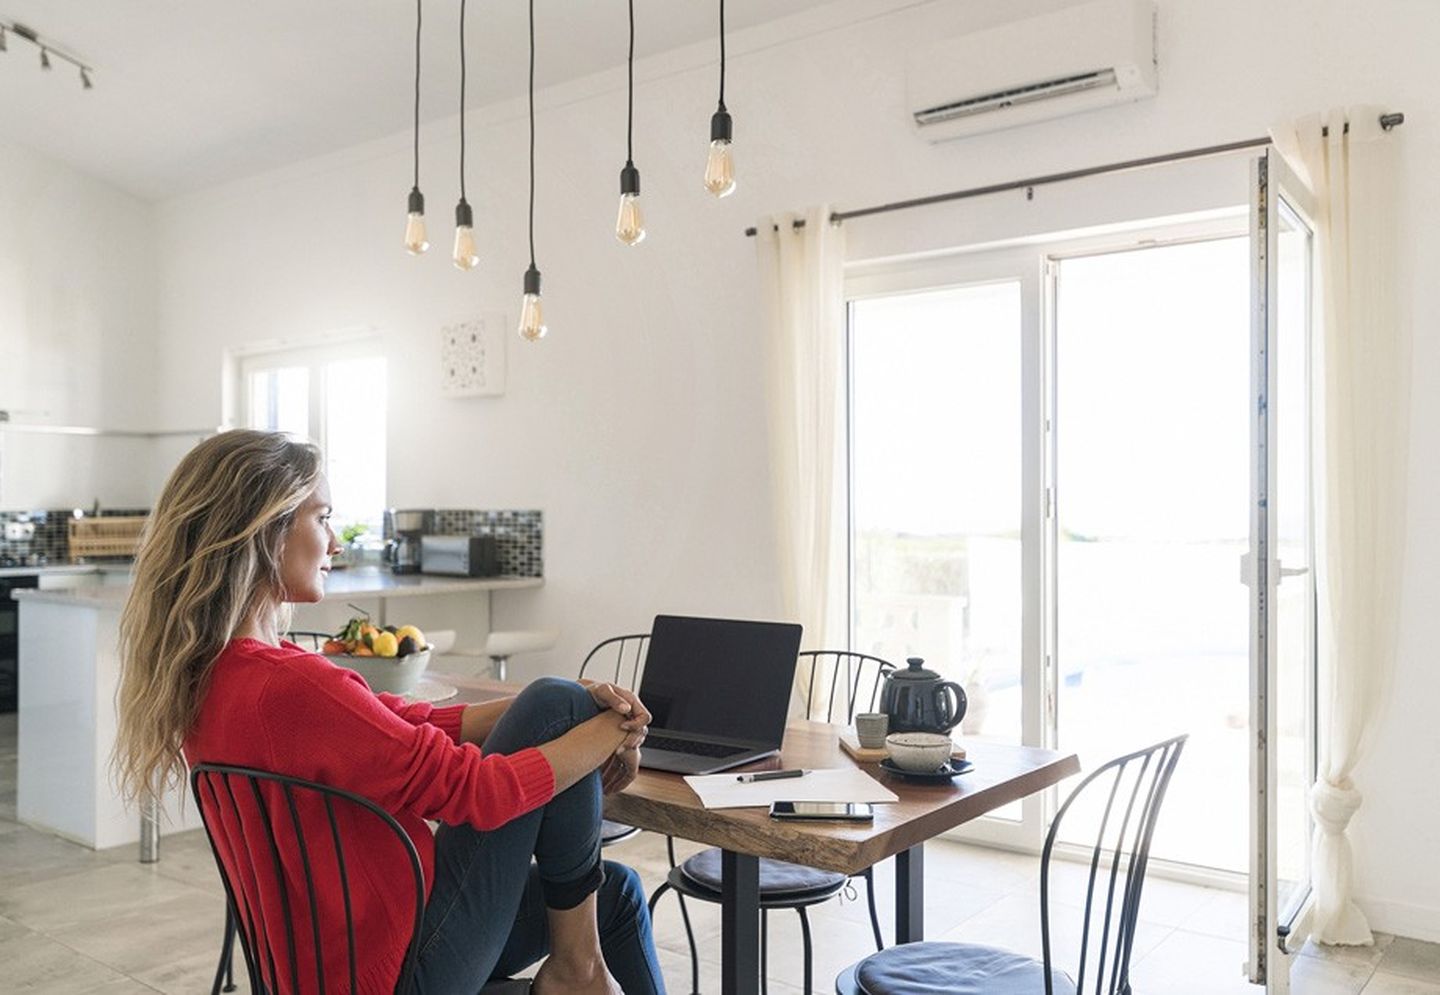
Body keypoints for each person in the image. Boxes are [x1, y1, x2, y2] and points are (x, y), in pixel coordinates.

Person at [112, 429, 665, 994]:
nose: (335, 544)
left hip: (319, 970)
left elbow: (404, 727)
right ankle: (577, 972)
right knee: (558, 703)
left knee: (613, 887)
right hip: (394, 973)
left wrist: (564, 717)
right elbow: (477, 793)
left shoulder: (216, 677)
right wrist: (607, 729)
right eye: (322, 518)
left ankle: (579, 967)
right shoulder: (290, 684)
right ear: (264, 530)